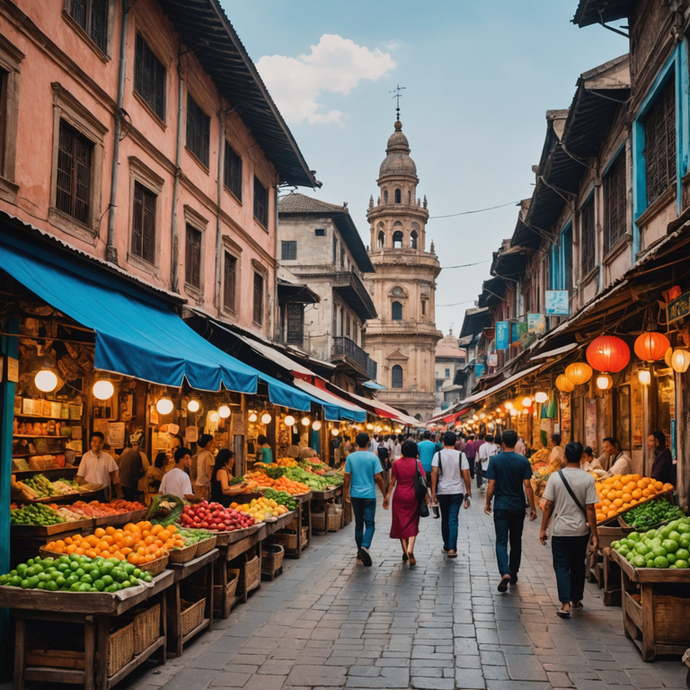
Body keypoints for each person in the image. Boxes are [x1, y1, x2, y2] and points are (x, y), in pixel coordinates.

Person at [539, 442, 599, 618]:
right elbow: (590, 509)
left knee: (561, 566)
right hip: (581, 531)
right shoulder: (588, 478)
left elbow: (548, 505)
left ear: (564, 456)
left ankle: (564, 605)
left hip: (560, 530)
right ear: (581, 457)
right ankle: (576, 601)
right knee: (578, 565)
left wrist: (543, 528)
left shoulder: (555, 477)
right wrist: (594, 535)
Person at [484, 429, 537, 592]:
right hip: (517, 506)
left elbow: (491, 484)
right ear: (515, 443)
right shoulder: (523, 461)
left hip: (501, 505)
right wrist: (532, 507)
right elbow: (528, 485)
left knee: (501, 540)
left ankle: (504, 572)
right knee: (516, 540)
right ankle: (513, 573)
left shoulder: (495, 460)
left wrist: (487, 502)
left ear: (503, 443)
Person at [344, 432, 385, 567]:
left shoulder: (350, 457)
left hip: (355, 495)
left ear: (356, 443)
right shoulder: (373, 457)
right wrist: (385, 495)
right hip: (369, 496)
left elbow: (347, 477)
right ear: (368, 442)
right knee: (370, 524)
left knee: (359, 524)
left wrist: (346, 492)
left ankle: (359, 551)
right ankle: (365, 545)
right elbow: (379, 478)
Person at [384, 439, 426, 566]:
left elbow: (392, 482)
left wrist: (387, 496)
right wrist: (426, 496)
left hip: (399, 496)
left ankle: (405, 551)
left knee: (401, 524)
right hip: (413, 496)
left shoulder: (396, 463)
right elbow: (423, 480)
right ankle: (410, 549)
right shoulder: (417, 463)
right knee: (412, 522)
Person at [431, 431, 471, 558]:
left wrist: (433, 492)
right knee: (453, 519)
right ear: (455, 442)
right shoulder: (461, 455)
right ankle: (452, 549)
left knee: (445, 518)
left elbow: (434, 474)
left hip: (442, 491)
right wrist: (468, 491)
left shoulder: (438, 455)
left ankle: (446, 545)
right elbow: (466, 474)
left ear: (443, 441)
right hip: (457, 491)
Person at [77, 432, 123, 501]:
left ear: (103, 444)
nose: (97, 444)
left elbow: (115, 477)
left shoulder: (108, 457)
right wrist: (74, 488)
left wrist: (119, 494)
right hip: (88, 492)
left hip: (103, 491)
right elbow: (80, 476)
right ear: (91, 443)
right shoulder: (85, 457)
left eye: (100, 442)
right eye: (94, 441)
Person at [117, 431, 148, 501]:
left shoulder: (125, 453)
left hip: (122, 484)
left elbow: (117, 464)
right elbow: (143, 470)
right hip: (132, 486)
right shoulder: (139, 455)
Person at [193, 434, 216, 499]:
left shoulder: (200, 454)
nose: (214, 444)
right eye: (212, 442)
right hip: (204, 485)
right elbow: (209, 472)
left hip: (198, 484)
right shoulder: (208, 454)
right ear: (209, 443)